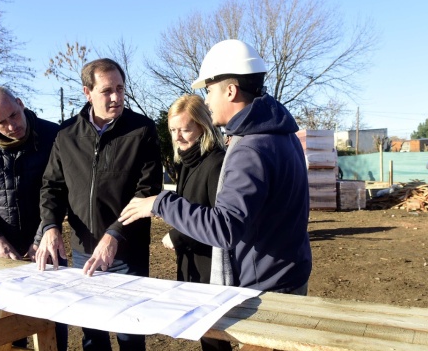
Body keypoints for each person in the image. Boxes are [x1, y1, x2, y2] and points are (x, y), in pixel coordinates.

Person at [119, 39, 312, 296]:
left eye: (209, 91)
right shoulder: (281, 132)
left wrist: (159, 203)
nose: (207, 101)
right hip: (288, 273)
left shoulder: (250, 148)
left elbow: (224, 228)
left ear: (230, 91)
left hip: (266, 286)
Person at [34, 58, 163, 351]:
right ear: (87, 92)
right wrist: (51, 227)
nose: (117, 97)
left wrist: (115, 234)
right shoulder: (66, 134)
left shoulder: (141, 130)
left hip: (126, 250)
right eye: (107, 91)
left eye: (120, 88)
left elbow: (147, 191)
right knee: (92, 332)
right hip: (82, 251)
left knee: (130, 330)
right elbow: (52, 186)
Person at [0, 86, 67, 351]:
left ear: (20, 103)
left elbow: (63, 189)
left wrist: (43, 236)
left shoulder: (53, 135)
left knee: (54, 313)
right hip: (0, 242)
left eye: (14, 115)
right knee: (10, 315)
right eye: (1, 122)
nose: (11, 125)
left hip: (47, 240)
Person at [163, 94, 232, 351]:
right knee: (208, 335)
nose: (177, 136)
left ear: (203, 126)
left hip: (210, 265)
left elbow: (216, 219)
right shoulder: (188, 162)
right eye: (173, 130)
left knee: (216, 336)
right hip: (193, 262)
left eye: (185, 129)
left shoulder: (214, 163)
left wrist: (176, 236)